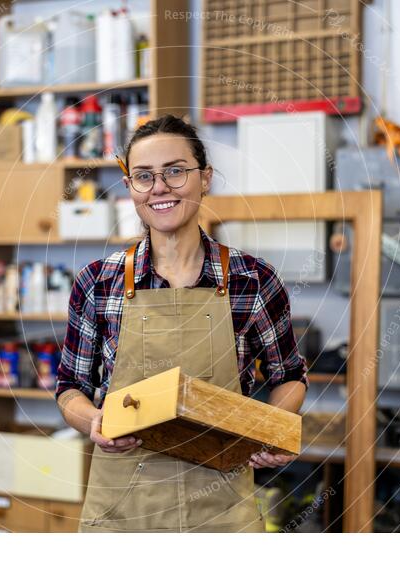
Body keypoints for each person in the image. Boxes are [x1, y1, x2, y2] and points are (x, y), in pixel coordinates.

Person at [55, 114, 308, 532]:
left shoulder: (254, 280)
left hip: (221, 508)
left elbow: (290, 376)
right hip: (124, 508)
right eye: (144, 176)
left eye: (175, 171)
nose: (159, 188)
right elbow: (70, 389)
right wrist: (93, 421)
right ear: (130, 188)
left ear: (205, 178)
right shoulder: (98, 282)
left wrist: (268, 429)